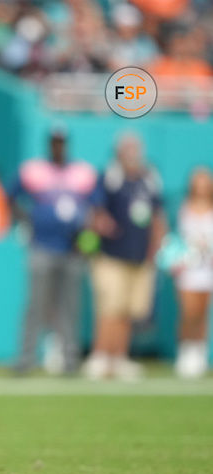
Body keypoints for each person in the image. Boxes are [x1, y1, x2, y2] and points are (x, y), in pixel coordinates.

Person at [10, 127, 98, 376]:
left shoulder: (82, 173)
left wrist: (86, 237)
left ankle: (70, 360)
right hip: (42, 245)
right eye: (54, 142)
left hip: (72, 249)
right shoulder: (34, 170)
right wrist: (27, 218)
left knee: (69, 306)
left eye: (61, 142)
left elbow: (96, 207)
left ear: (67, 144)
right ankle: (25, 359)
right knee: (36, 304)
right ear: (49, 144)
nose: (58, 147)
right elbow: (10, 195)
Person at [84, 132, 165, 380]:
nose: (132, 153)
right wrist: (101, 222)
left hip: (139, 256)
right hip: (111, 255)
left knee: (129, 310)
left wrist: (155, 246)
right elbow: (94, 209)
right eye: (127, 148)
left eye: (135, 148)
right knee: (110, 307)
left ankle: (119, 357)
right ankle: (100, 356)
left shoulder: (149, 178)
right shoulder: (109, 177)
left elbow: (157, 216)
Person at [170, 167, 213, 378]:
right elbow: (179, 239)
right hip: (188, 268)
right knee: (189, 312)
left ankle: (200, 353)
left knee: (203, 312)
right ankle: (185, 352)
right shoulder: (184, 207)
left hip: (208, 269)